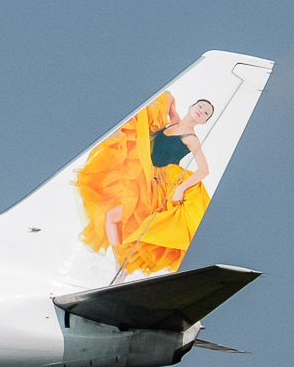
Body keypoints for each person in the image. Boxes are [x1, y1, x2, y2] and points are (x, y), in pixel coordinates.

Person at [74, 93, 213, 280]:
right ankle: (120, 266)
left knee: (132, 227)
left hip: (161, 185)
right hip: (144, 178)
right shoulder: (172, 124)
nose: (201, 111)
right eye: (201, 106)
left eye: (206, 113)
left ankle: (122, 269)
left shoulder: (191, 138)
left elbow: (204, 170)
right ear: (191, 106)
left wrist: (181, 188)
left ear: (204, 122)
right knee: (112, 218)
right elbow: (166, 99)